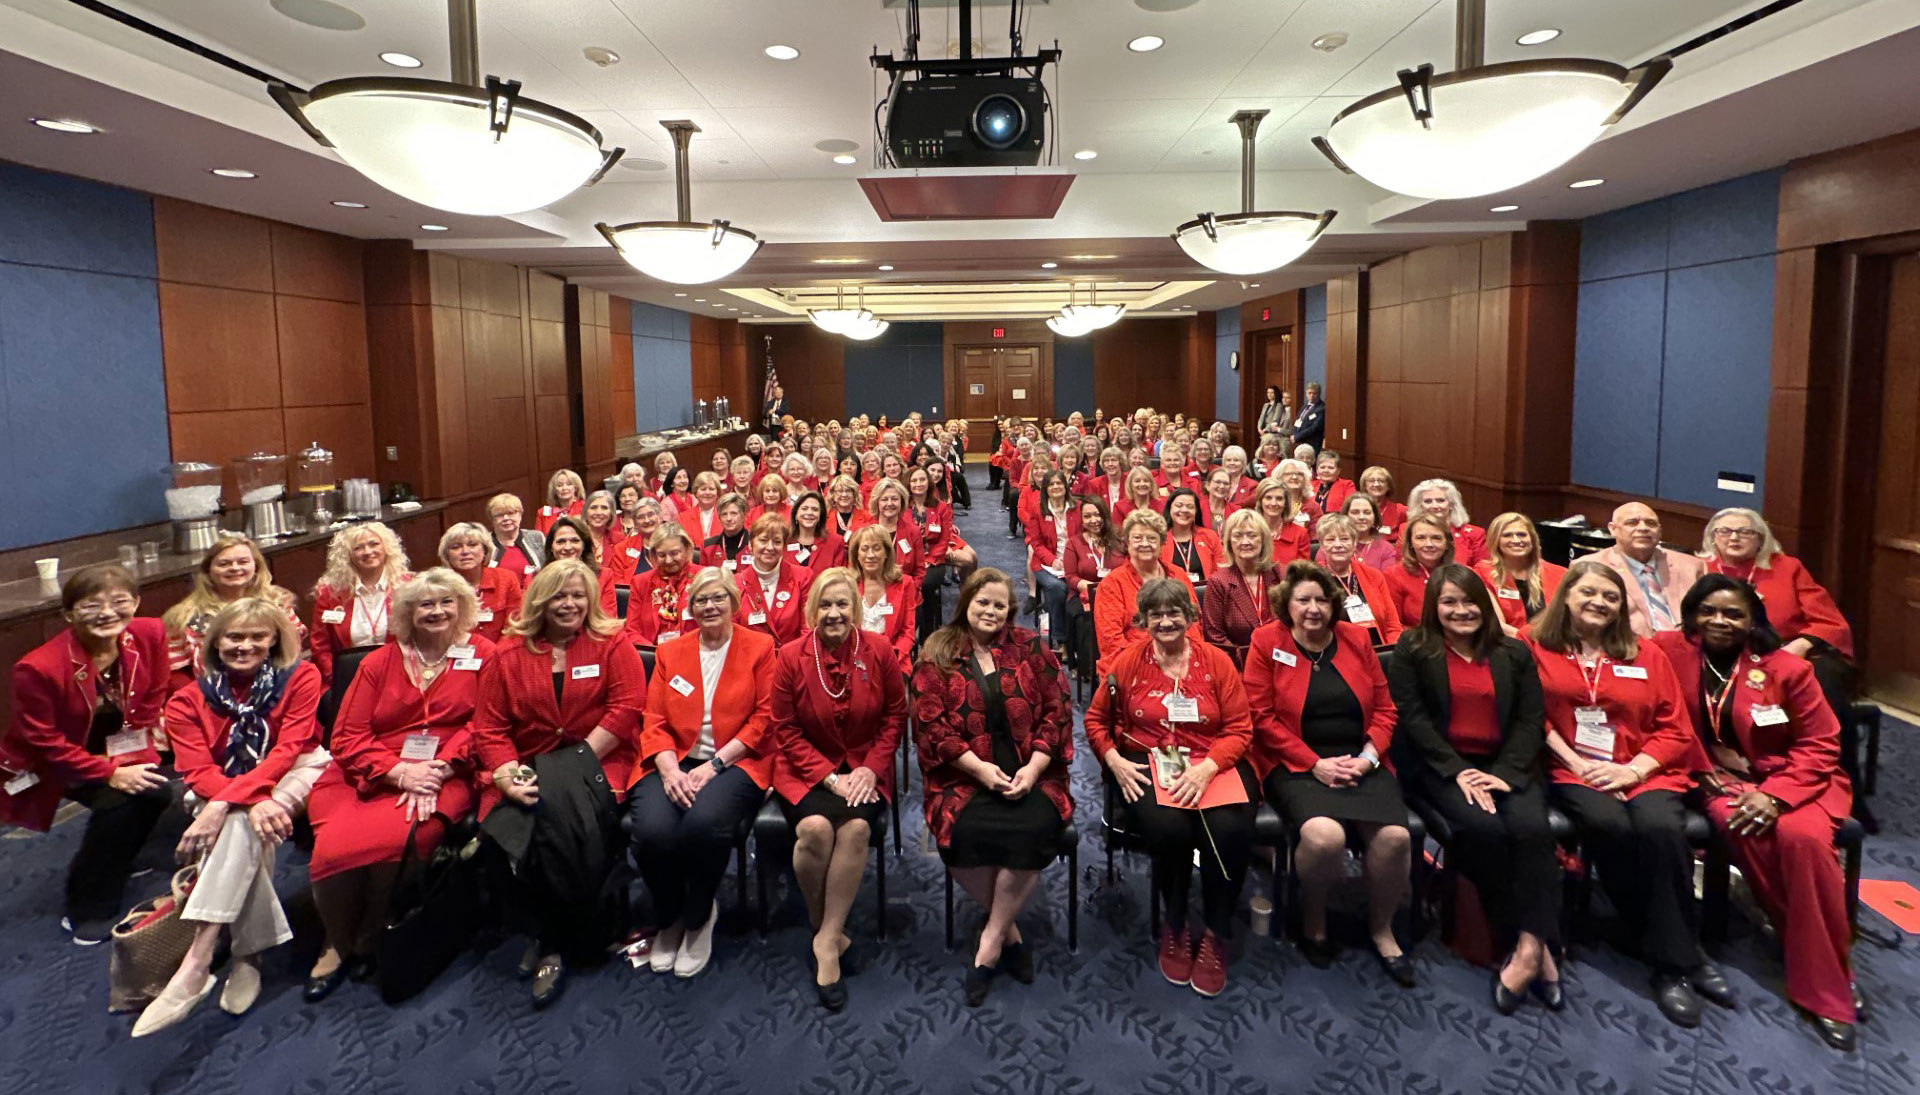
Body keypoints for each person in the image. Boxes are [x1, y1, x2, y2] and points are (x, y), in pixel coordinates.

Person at [1652, 575, 1859, 1049]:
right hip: (1714, 779)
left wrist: (1778, 794)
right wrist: (1708, 767)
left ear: (1752, 620)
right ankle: (1820, 959)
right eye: (1709, 611)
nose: (1720, 622)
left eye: (1733, 614)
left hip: (1796, 781)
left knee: (1802, 841)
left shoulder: (1786, 668)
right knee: (1737, 822)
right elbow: (1656, 715)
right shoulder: (1669, 650)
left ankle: (1826, 977)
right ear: (1691, 613)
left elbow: (1822, 743)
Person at [1529, 560, 1725, 1028]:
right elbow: (1529, 716)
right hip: (1570, 768)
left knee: (1661, 828)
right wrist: (1579, 764)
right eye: (1589, 593)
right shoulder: (1532, 645)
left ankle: (1670, 967)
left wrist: (1633, 769)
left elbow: (1674, 727)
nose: (1599, 602)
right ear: (1567, 597)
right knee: (1611, 823)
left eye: (1610, 597)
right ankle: (1681, 951)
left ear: (1622, 607)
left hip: (1645, 768)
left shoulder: (1645, 652)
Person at [139, 598, 327, 1034]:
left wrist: (225, 804)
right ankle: (245, 955)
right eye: (234, 637)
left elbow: (288, 749)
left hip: (299, 766)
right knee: (246, 825)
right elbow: (197, 770)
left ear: (275, 639)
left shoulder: (301, 676)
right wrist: (243, 800)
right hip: (221, 784)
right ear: (214, 643)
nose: (246, 645)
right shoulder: (187, 701)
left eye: (258, 636)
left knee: (233, 820)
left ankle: (199, 957)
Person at [304, 569, 491, 1001]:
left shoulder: (483, 654)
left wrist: (439, 769)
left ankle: (372, 926)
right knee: (331, 849)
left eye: (447, 602)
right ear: (407, 612)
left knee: (404, 837)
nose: (437, 611)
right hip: (367, 773)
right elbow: (346, 736)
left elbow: (484, 723)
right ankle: (336, 940)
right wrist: (399, 772)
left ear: (462, 607)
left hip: (450, 769)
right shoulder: (378, 662)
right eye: (426, 604)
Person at [1387, 565, 1561, 1013]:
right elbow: (1413, 719)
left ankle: (1528, 947)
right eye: (1449, 602)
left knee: (1533, 829)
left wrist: (1505, 771)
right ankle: (1537, 946)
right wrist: (1457, 770)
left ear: (1483, 605)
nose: (1461, 611)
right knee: (1483, 829)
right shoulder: (1414, 647)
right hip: (1439, 765)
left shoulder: (1513, 652)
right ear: (1434, 607)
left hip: (1507, 766)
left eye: (1468, 601)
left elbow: (1529, 720)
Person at [473, 559, 646, 1006]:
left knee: (559, 820)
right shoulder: (508, 654)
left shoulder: (612, 643)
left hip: (598, 759)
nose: (568, 604)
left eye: (577, 594)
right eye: (558, 595)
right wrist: (507, 775)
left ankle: (554, 942)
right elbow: (489, 728)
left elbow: (626, 708)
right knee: (499, 834)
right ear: (540, 600)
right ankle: (555, 927)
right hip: (527, 763)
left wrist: (574, 762)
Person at [1243, 562, 1412, 986]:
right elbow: (1260, 718)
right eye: (1303, 600)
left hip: (1360, 761)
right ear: (1288, 604)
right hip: (1295, 764)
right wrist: (1313, 763)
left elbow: (1388, 710)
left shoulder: (1356, 639)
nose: (1313, 608)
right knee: (1325, 837)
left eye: (1321, 599)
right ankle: (1314, 916)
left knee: (1396, 838)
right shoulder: (1267, 641)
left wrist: (1369, 758)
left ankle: (1381, 928)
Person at [1084, 578, 1255, 997]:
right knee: (1170, 829)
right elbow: (1094, 720)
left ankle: (1216, 933)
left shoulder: (1216, 662)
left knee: (1229, 831)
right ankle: (1175, 924)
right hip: (1147, 761)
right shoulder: (1128, 661)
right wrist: (1114, 761)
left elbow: (1238, 728)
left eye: (1174, 613)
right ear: (1144, 620)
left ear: (1189, 617)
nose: (1165, 621)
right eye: (1156, 615)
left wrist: (1208, 767)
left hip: (1212, 760)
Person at [910, 569, 1073, 1005]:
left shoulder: (1031, 648)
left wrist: (1035, 769)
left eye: (999, 605)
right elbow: (931, 727)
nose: (990, 611)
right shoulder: (939, 651)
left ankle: (988, 944)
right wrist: (980, 770)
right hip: (961, 776)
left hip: (1030, 770)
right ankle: (1008, 933)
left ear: (1010, 611)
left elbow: (1057, 712)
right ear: (966, 601)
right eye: (982, 602)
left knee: (1035, 830)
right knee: (959, 836)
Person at [2, 565, 173, 944]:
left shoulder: (149, 633)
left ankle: (126, 856)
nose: (107, 613)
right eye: (91, 605)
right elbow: (43, 741)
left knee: (157, 790)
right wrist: (110, 772)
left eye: (119, 602)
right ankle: (86, 907)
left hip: (117, 743)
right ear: (67, 614)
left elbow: (153, 692)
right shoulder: (38, 667)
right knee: (118, 806)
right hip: (56, 759)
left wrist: (136, 751)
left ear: (136, 603)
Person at [770, 567, 907, 1011]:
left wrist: (869, 769)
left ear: (855, 609)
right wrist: (830, 776)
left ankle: (826, 941)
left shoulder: (879, 650)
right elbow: (785, 730)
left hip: (865, 766)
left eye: (842, 605)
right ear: (813, 610)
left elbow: (894, 718)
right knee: (814, 831)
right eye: (825, 605)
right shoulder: (790, 656)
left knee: (855, 830)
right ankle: (826, 924)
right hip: (805, 769)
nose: (834, 613)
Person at [630, 566, 776, 980]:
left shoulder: (760, 647)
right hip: (675, 759)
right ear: (689, 607)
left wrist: (714, 765)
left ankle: (697, 915)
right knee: (651, 831)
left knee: (702, 824)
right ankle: (670, 914)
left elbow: (765, 719)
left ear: (734, 602)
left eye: (718, 598)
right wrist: (669, 767)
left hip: (736, 760)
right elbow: (653, 718)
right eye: (701, 600)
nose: (709, 606)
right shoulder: (671, 651)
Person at [1698, 507, 1854, 725]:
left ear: (1761, 540)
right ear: (1713, 538)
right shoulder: (1699, 569)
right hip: (1722, 651)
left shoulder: (1788, 568)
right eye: (1724, 531)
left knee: (1823, 680)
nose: (1734, 537)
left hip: (1787, 649)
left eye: (1745, 532)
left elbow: (1828, 619)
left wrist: (1802, 644)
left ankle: (1825, 751)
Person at [161, 535, 303, 689]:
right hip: (211, 699)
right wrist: (201, 699)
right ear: (208, 571)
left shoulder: (279, 602)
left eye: (243, 562)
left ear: (256, 566)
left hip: (278, 690)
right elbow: (176, 674)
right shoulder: (183, 616)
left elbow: (294, 652)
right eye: (224, 564)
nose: (235, 568)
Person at [1093, 510, 1202, 676]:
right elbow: (1112, 642)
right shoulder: (1111, 584)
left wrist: (1184, 660)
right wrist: (1154, 664)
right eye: (1137, 538)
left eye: (1152, 538)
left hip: (1182, 662)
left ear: (1161, 543)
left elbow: (1193, 625)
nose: (1145, 543)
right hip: (1131, 667)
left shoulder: (1178, 575)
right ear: (1127, 542)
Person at [1578, 501, 1705, 638]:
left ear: (1660, 531)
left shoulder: (1691, 566)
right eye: (1632, 523)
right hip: (1629, 649)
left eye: (1650, 523)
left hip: (1687, 647)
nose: (1643, 528)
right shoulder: (1590, 568)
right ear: (1613, 529)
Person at [310, 522, 411, 688]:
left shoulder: (409, 587)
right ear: (348, 555)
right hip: (348, 680)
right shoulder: (330, 594)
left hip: (400, 677)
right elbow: (320, 647)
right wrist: (338, 680)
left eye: (374, 544)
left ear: (386, 548)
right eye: (359, 548)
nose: (368, 552)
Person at [1201, 509, 1276, 668]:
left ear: (1263, 540)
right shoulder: (1219, 582)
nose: (1245, 542)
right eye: (1238, 536)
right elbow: (1215, 638)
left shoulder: (1280, 575)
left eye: (1252, 535)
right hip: (1239, 666)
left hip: (1282, 662)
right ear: (1229, 542)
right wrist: (1252, 663)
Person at [1316, 513, 1404, 647]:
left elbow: (1392, 625)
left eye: (1344, 539)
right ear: (1321, 546)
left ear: (1354, 544)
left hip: (1376, 652)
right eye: (1330, 539)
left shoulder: (1374, 576)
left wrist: (1390, 653)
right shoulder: (1313, 579)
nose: (1338, 545)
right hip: (1335, 655)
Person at [909, 464, 974, 642]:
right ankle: (910, 633)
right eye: (914, 480)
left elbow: (944, 540)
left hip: (934, 560)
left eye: (922, 479)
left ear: (929, 483)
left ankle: (926, 637)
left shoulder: (941, 507)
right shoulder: (902, 507)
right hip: (908, 560)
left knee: (926, 585)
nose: (918, 483)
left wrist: (930, 560)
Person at [1476, 512, 1565, 636]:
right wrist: (1531, 643)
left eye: (1522, 534)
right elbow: (1498, 625)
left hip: (1552, 644)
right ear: (1496, 540)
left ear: (1532, 539)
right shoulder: (1483, 572)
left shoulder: (1559, 573)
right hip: (1510, 645)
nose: (1516, 540)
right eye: (1507, 535)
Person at [736, 514, 817, 645]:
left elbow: (807, 629)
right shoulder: (736, 583)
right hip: (752, 662)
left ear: (784, 547)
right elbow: (734, 633)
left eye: (777, 542)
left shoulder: (802, 577)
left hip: (790, 661)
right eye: (763, 540)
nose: (770, 547)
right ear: (750, 545)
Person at [619, 523, 700, 652]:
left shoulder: (703, 578)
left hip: (693, 653)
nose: (668, 560)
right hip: (654, 655)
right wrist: (657, 653)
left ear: (687, 550)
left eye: (674, 553)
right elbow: (632, 631)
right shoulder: (641, 582)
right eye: (662, 555)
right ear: (654, 555)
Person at [440, 522, 523, 643]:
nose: (465, 551)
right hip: (455, 655)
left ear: (485, 550)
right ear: (447, 556)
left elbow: (513, 628)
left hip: (500, 655)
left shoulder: (506, 579)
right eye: (456, 547)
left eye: (472, 545)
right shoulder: (440, 586)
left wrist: (491, 655)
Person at [847, 524, 918, 662]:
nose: (870, 555)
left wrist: (890, 658)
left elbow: (907, 633)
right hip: (854, 658)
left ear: (886, 553)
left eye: (877, 548)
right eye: (864, 549)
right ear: (856, 554)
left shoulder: (905, 583)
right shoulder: (848, 584)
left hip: (893, 657)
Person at [1025, 471, 1078, 648]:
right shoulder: (1037, 510)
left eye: (1059, 483)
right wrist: (1052, 560)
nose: (1056, 487)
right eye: (1051, 484)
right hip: (1045, 564)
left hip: (1074, 561)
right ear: (1046, 489)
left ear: (1066, 486)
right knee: (1057, 588)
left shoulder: (1077, 507)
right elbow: (1036, 543)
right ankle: (1060, 638)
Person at [1382, 514, 1454, 628]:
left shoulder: (1460, 574)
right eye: (1421, 538)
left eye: (1436, 538)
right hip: (1416, 642)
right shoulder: (1394, 575)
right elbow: (1393, 626)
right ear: (1410, 544)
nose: (1429, 544)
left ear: (1447, 544)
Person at [1409, 479, 1489, 569]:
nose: (1434, 506)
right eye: (1428, 501)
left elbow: (1483, 570)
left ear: (1451, 504)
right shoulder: (1407, 529)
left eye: (1440, 500)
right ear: (1420, 505)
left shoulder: (1475, 534)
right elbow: (1405, 563)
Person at [1162, 488, 1221, 598]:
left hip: (1207, 595)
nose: (1184, 510)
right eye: (1179, 505)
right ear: (1169, 508)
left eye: (1190, 507)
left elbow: (1221, 570)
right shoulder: (1160, 539)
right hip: (1170, 597)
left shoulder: (1209, 536)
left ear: (1196, 511)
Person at [1250, 477, 1311, 566]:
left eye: (1279, 498)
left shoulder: (1300, 534)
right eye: (1268, 498)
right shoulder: (1249, 531)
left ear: (1285, 503)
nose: (1274, 503)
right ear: (1260, 501)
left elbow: (1302, 572)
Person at [486, 493, 546, 579]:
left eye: (511, 513)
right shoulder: (484, 543)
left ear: (520, 515)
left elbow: (549, 569)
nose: (506, 518)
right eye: (499, 515)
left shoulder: (536, 537)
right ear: (491, 519)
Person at [789, 490, 847, 577]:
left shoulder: (835, 542)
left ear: (820, 516)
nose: (809, 513)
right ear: (796, 514)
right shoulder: (784, 541)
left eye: (815, 509)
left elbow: (839, 579)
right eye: (804, 508)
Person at [1343, 493, 1400, 573]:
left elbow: (1388, 582)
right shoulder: (1334, 545)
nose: (1361, 517)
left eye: (1367, 512)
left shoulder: (1386, 549)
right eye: (1355, 512)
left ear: (1375, 517)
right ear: (1345, 516)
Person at [702, 493, 751, 571]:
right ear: (719, 518)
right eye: (724, 514)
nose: (728, 518)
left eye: (733, 513)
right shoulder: (708, 546)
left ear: (743, 516)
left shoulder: (754, 543)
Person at [1358, 466, 1407, 542]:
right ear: (1365, 486)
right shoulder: (1356, 509)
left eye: (1381, 481)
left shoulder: (1400, 510)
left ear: (1388, 486)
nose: (1376, 484)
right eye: (1371, 481)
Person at [536, 470, 587, 535]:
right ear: (554, 490)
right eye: (559, 485)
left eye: (569, 484)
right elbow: (539, 541)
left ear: (576, 488)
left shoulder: (585, 508)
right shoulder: (542, 513)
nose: (564, 488)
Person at [1292, 382, 1326, 453]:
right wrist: (1294, 435)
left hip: (1311, 443)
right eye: (1309, 393)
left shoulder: (1321, 408)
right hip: (1299, 442)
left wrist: (1297, 437)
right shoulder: (1304, 407)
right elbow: (1297, 421)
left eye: (1314, 393)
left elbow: (1314, 428)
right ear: (1306, 393)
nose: (1312, 395)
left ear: (1319, 394)